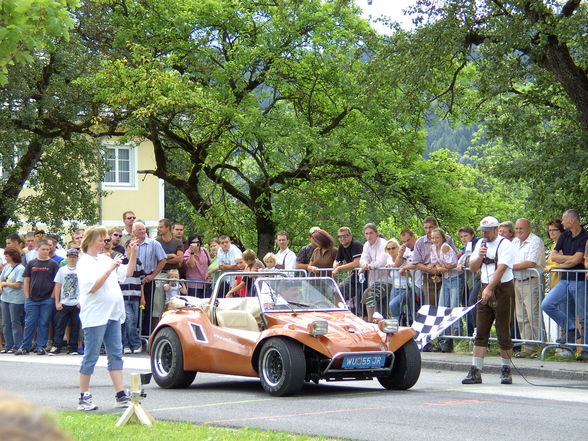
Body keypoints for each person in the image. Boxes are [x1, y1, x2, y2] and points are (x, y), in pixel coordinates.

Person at [76, 226, 137, 411]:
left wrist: (133, 253)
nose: (106, 242)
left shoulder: (104, 259)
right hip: (95, 315)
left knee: (116, 353)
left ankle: (120, 393)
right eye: (103, 239)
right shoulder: (84, 262)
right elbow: (93, 287)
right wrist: (110, 268)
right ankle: (84, 396)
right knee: (91, 355)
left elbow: (127, 273)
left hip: (112, 313)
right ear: (92, 240)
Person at [463, 216, 516, 385]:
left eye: (487, 231)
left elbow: (501, 269)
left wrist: (490, 288)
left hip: (502, 289)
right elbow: (472, 267)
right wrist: (479, 256)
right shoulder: (480, 244)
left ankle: (506, 370)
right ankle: (476, 370)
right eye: (482, 231)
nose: (484, 234)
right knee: (481, 330)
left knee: (503, 331)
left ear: (495, 229)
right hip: (485, 287)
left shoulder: (505, 244)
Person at [541, 209, 588, 351]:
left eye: (564, 219)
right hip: (564, 278)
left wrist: (568, 261)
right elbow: (553, 257)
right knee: (547, 304)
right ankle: (572, 328)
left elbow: (579, 259)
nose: (562, 222)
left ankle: (585, 350)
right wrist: (571, 259)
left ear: (572, 220)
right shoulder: (564, 236)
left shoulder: (585, 236)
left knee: (584, 315)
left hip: (580, 280)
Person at [17, 240, 59, 355]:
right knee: (29, 322)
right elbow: (26, 280)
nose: (45, 251)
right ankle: (25, 346)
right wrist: (27, 296)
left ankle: (41, 346)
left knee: (44, 323)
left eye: (47, 249)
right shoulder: (31, 263)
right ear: (37, 249)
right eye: (43, 249)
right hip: (31, 299)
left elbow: (57, 282)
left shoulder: (53, 264)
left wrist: (52, 297)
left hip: (47, 299)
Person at [512, 218, 545, 357]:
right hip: (517, 280)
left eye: (521, 228)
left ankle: (540, 346)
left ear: (529, 228)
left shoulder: (535, 241)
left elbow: (531, 262)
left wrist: (509, 266)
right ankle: (528, 347)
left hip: (532, 280)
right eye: (517, 228)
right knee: (521, 316)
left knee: (533, 314)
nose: (519, 231)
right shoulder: (514, 241)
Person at [412, 216, 457, 307]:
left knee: (446, 306)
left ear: (436, 227)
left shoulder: (447, 239)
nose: (428, 230)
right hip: (428, 276)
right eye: (426, 228)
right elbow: (416, 263)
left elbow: (454, 258)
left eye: (430, 227)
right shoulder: (420, 242)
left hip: (446, 275)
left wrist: (440, 269)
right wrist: (433, 270)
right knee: (431, 305)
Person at [133, 221, 166, 336]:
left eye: (143, 229)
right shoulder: (132, 245)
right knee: (134, 308)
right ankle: (135, 335)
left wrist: (153, 275)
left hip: (148, 278)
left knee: (148, 308)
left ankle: (146, 334)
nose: (142, 231)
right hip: (135, 280)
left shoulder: (154, 243)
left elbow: (163, 260)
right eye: (139, 229)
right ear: (134, 232)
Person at [430, 228, 460, 352]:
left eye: (437, 237)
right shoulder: (432, 248)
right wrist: (438, 268)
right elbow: (435, 263)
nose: (435, 240)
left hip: (454, 278)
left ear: (442, 238)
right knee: (442, 306)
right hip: (446, 279)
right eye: (433, 238)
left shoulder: (445, 247)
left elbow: (453, 263)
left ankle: (455, 333)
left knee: (453, 306)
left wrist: (443, 268)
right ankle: (444, 338)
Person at [50, 248, 81, 355]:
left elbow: (84, 286)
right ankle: (56, 346)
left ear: (77, 258)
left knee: (75, 326)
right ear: (67, 257)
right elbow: (58, 286)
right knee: (60, 325)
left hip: (76, 302)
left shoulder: (81, 270)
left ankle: (73, 347)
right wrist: (57, 302)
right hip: (64, 302)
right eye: (70, 256)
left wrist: (81, 301)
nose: (72, 259)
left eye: (74, 257)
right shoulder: (62, 270)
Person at [120, 238, 145, 355]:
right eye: (131, 246)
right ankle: (132, 343)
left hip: (135, 296)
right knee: (128, 319)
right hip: (124, 296)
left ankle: (129, 344)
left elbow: (141, 282)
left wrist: (142, 296)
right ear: (126, 248)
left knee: (133, 321)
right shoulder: (121, 261)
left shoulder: (139, 263)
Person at [359, 223, 389, 322]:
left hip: (386, 280)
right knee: (377, 305)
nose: (369, 236)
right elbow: (363, 259)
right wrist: (364, 264)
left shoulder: (383, 243)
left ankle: (371, 322)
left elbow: (382, 260)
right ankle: (375, 323)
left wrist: (370, 266)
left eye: (371, 233)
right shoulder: (366, 245)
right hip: (373, 281)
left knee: (369, 295)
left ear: (376, 233)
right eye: (366, 234)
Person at [332, 227, 365, 310]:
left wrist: (339, 269)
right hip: (353, 277)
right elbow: (337, 260)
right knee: (338, 292)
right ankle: (339, 314)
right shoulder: (341, 247)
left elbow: (356, 263)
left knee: (361, 303)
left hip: (364, 276)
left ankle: (365, 321)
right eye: (340, 236)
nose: (342, 238)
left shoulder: (356, 245)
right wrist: (336, 266)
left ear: (350, 236)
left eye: (345, 236)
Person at [456, 226, 481, 336]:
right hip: (468, 280)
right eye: (461, 237)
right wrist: (461, 265)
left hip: (479, 279)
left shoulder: (479, 244)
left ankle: (479, 333)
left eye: (466, 235)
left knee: (473, 303)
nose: (463, 238)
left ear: (472, 235)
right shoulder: (464, 249)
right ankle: (471, 335)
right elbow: (465, 260)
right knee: (467, 306)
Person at [0, 247, 25, 353]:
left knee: (15, 322)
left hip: (16, 299)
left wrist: (5, 284)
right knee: (6, 322)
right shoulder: (7, 267)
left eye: (7, 256)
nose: (5, 258)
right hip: (5, 298)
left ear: (13, 256)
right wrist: (1, 286)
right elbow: (1, 279)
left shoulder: (20, 268)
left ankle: (17, 345)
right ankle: (8, 344)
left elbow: (18, 284)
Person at [386, 239, 409, 322]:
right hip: (394, 288)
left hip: (405, 288)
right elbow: (390, 276)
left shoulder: (402, 257)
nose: (391, 250)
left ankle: (395, 324)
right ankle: (399, 325)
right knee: (395, 309)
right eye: (388, 249)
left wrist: (396, 268)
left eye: (393, 248)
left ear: (398, 248)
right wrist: (388, 270)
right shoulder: (388, 259)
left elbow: (398, 265)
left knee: (392, 305)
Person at [545, 219, 564, 289]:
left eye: (554, 230)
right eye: (550, 230)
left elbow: (564, 263)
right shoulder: (553, 246)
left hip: (562, 283)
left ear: (561, 231)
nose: (551, 232)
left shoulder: (564, 245)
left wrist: (550, 267)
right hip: (553, 283)